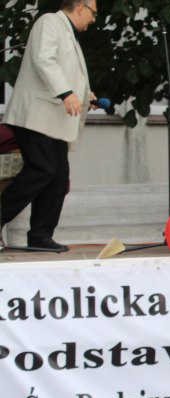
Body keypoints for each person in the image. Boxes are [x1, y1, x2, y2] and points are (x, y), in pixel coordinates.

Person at [0, 0, 98, 252]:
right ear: (80, 7)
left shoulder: (67, 32)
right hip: (35, 116)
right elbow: (44, 60)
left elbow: (62, 70)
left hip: (51, 121)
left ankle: (41, 236)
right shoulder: (49, 22)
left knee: (57, 177)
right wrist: (66, 92)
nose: (94, 18)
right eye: (93, 13)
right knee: (43, 169)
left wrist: (83, 94)